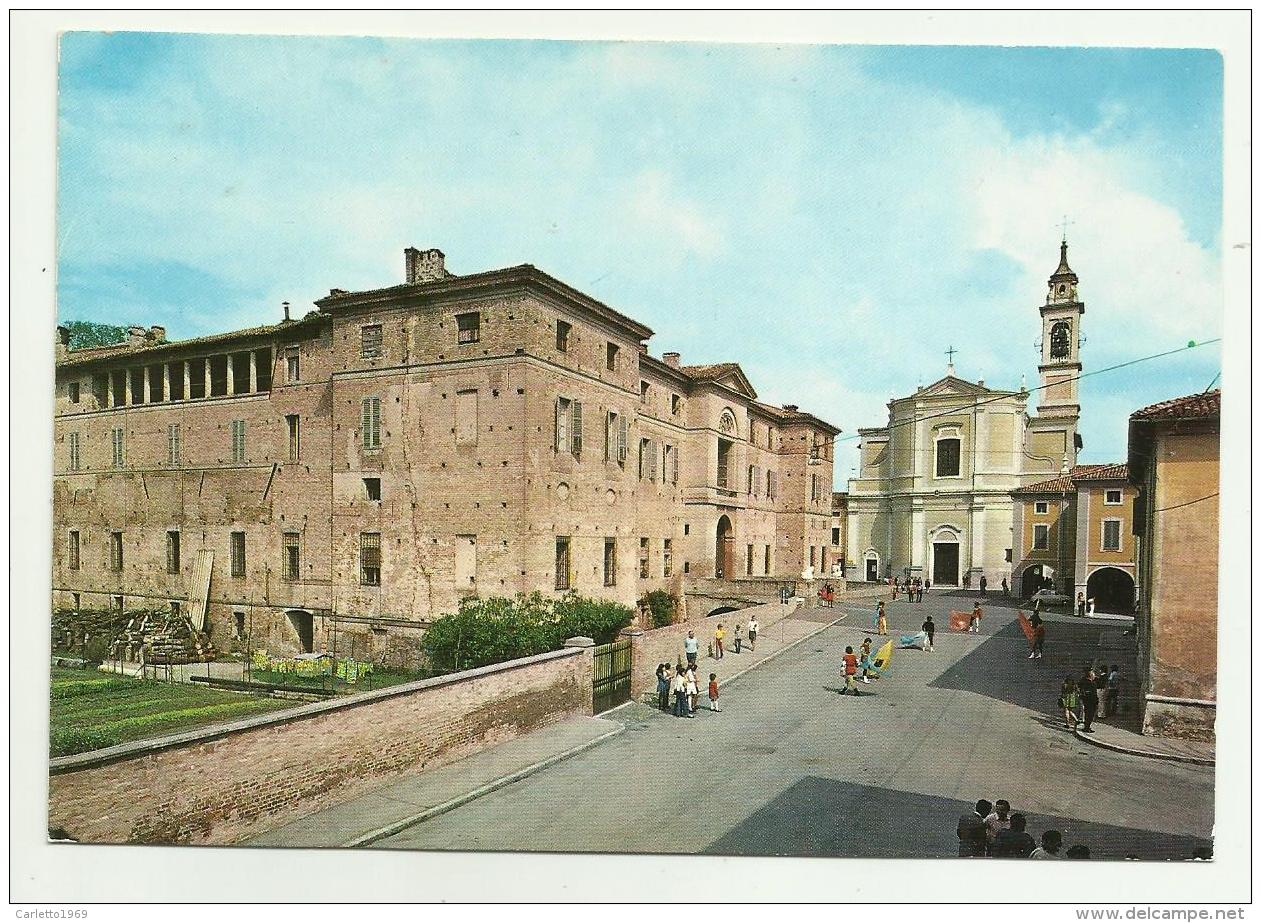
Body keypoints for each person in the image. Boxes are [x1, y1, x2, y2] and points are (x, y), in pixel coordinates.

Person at [1079, 666, 1099, 733]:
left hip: (1086, 700)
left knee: (1088, 714)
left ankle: (1087, 727)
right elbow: (1092, 694)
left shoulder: (1083, 680)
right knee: (1090, 715)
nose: (1094, 675)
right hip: (1090, 701)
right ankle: (1087, 727)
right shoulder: (1091, 683)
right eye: (1093, 673)